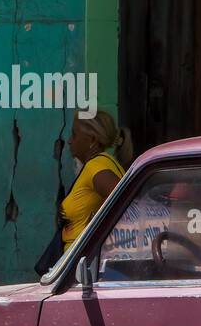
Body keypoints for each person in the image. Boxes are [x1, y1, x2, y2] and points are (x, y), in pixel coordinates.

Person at [34, 109, 132, 275]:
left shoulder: (97, 167)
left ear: (92, 139)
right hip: (80, 264)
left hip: (83, 269)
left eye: (74, 134)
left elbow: (128, 204)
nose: (70, 141)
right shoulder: (107, 163)